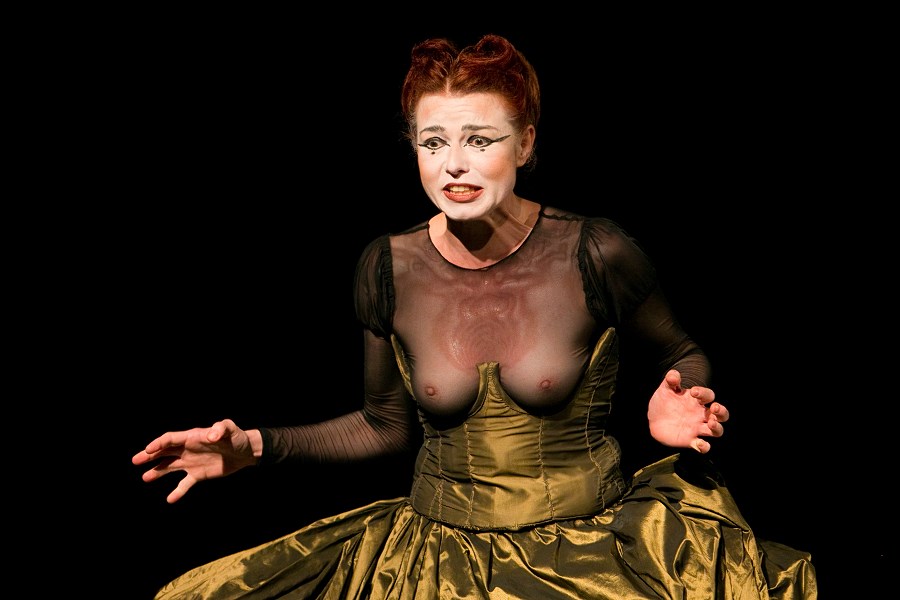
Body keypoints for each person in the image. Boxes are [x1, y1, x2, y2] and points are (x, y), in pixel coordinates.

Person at [133, 33, 817, 599]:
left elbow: (680, 351)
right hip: (435, 559)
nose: (454, 165)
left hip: (588, 553)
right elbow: (384, 424)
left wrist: (682, 393)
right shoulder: (387, 265)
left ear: (525, 144)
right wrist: (253, 447)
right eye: (433, 143)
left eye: (480, 140)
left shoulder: (596, 251)